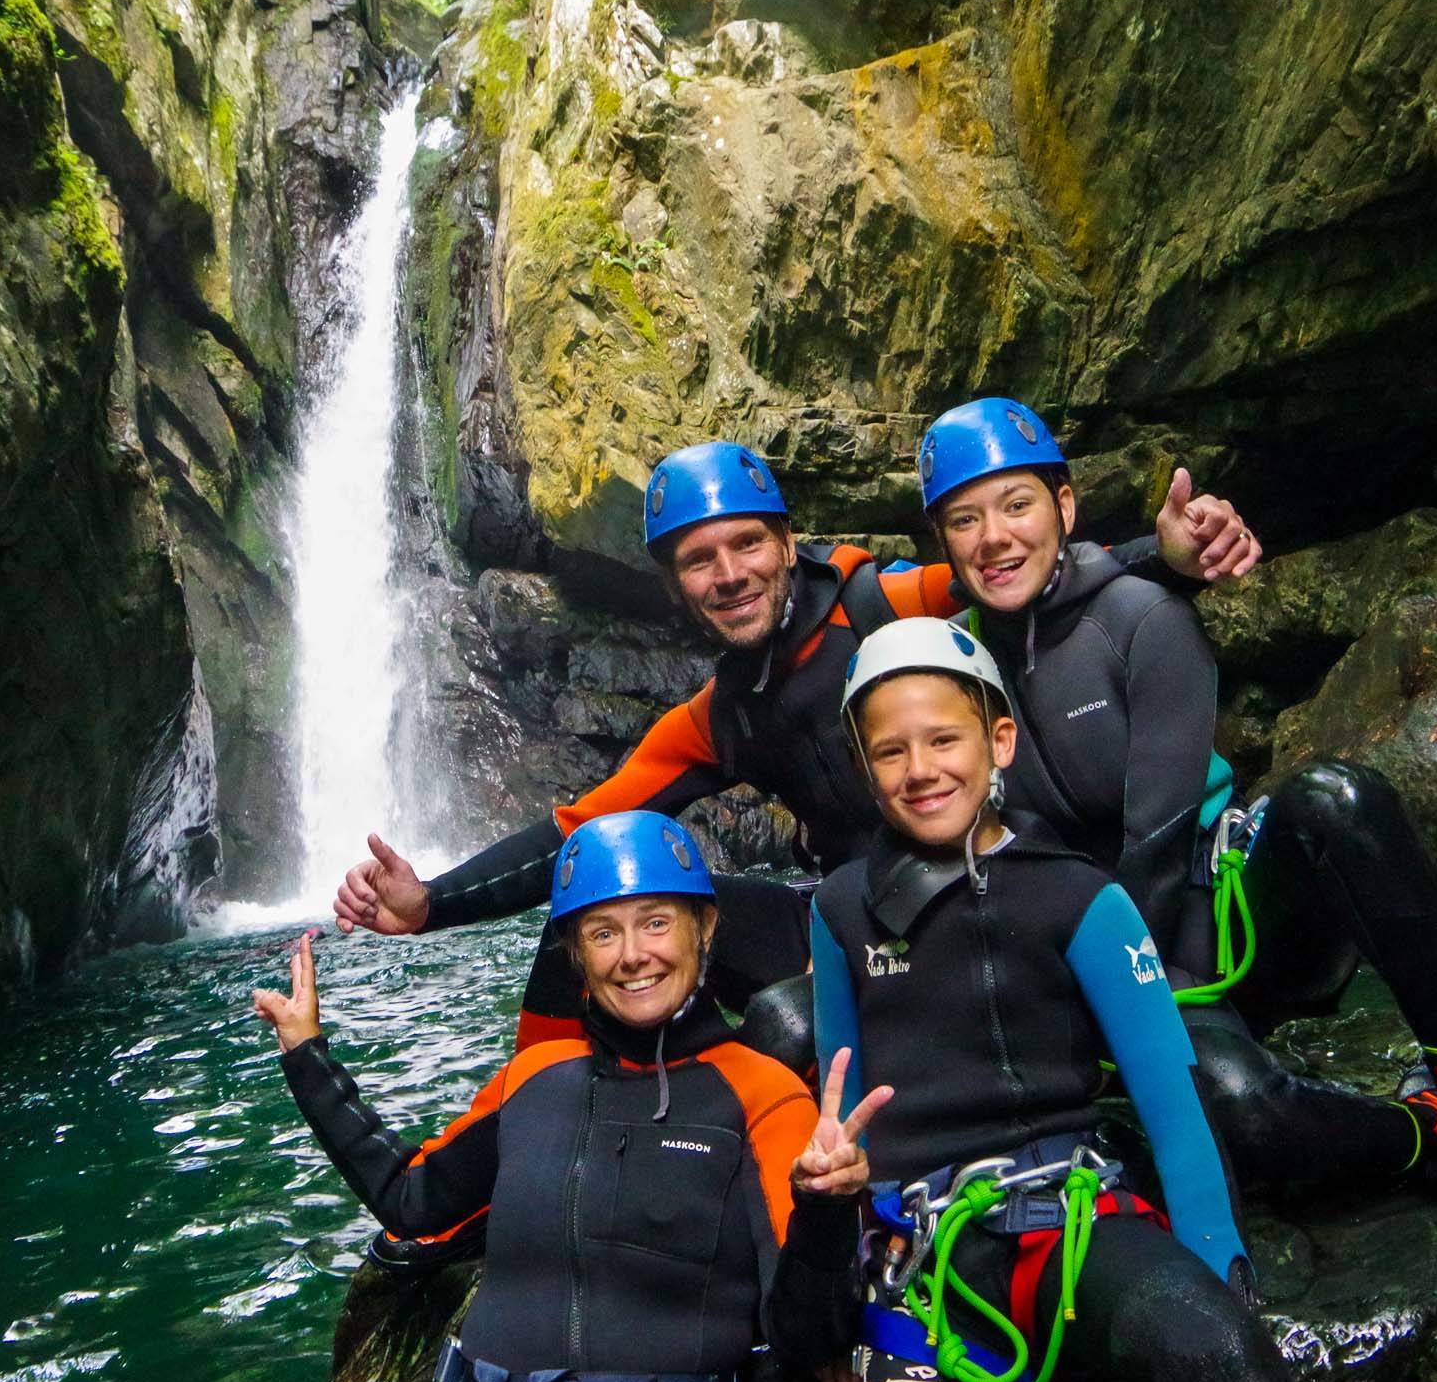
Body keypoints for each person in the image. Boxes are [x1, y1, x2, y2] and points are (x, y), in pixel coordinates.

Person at [333, 442, 1261, 1061]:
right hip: (851, 920)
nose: (728, 573)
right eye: (699, 559)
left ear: (786, 543)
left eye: (746, 544)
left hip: (986, 903)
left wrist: (1167, 555)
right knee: (591, 910)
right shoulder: (715, 718)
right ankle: (538, 1115)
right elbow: (577, 829)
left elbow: (1027, 572)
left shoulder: (884, 603)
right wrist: (432, 902)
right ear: (674, 586)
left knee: (787, 1020)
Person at [916, 395, 1437, 1259]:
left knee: (1335, 799)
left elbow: (1154, 845)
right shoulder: (954, 667)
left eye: (1017, 503)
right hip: (1118, 963)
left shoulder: (1143, 617)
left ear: (1064, 506)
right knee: (1242, 1108)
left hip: (1218, 928)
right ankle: (1419, 1130)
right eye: (963, 518)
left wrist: (1105, 1019)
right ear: (941, 540)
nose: (993, 536)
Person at [812, 615, 1297, 1382]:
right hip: (917, 1253)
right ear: (865, 769)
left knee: (1209, 1353)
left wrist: (1220, 1274)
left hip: (1070, 1221)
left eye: (944, 740)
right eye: (889, 751)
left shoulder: (1083, 896)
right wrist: (834, 1304)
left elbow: (1171, 1104)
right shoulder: (838, 910)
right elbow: (839, 1119)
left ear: (999, 741)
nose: (919, 769)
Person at [254, 810, 885, 1382]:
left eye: (657, 922)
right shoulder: (535, 1075)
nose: (633, 954)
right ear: (576, 954)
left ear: (705, 927)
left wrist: (825, 1211)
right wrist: (308, 1055)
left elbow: (808, 1338)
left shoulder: (763, 1095)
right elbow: (409, 1199)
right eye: (603, 932)